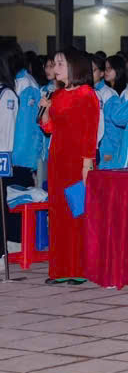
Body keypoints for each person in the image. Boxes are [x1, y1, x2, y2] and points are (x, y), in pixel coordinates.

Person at [38, 48, 99, 284]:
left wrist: (87, 164)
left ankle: (79, 269)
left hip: (78, 162)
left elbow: (90, 132)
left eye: (60, 64)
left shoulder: (86, 94)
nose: (55, 68)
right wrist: (45, 111)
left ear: (74, 66)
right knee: (58, 213)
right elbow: (50, 128)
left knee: (77, 213)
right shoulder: (57, 94)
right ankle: (60, 269)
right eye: (55, 64)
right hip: (57, 161)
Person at [0, 43, 40, 251]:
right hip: (12, 154)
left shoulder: (26, 84)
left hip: (19, 156)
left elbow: (24, 128)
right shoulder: (14, 82)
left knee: (15, 199)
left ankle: (15, 243)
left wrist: (13, 158)